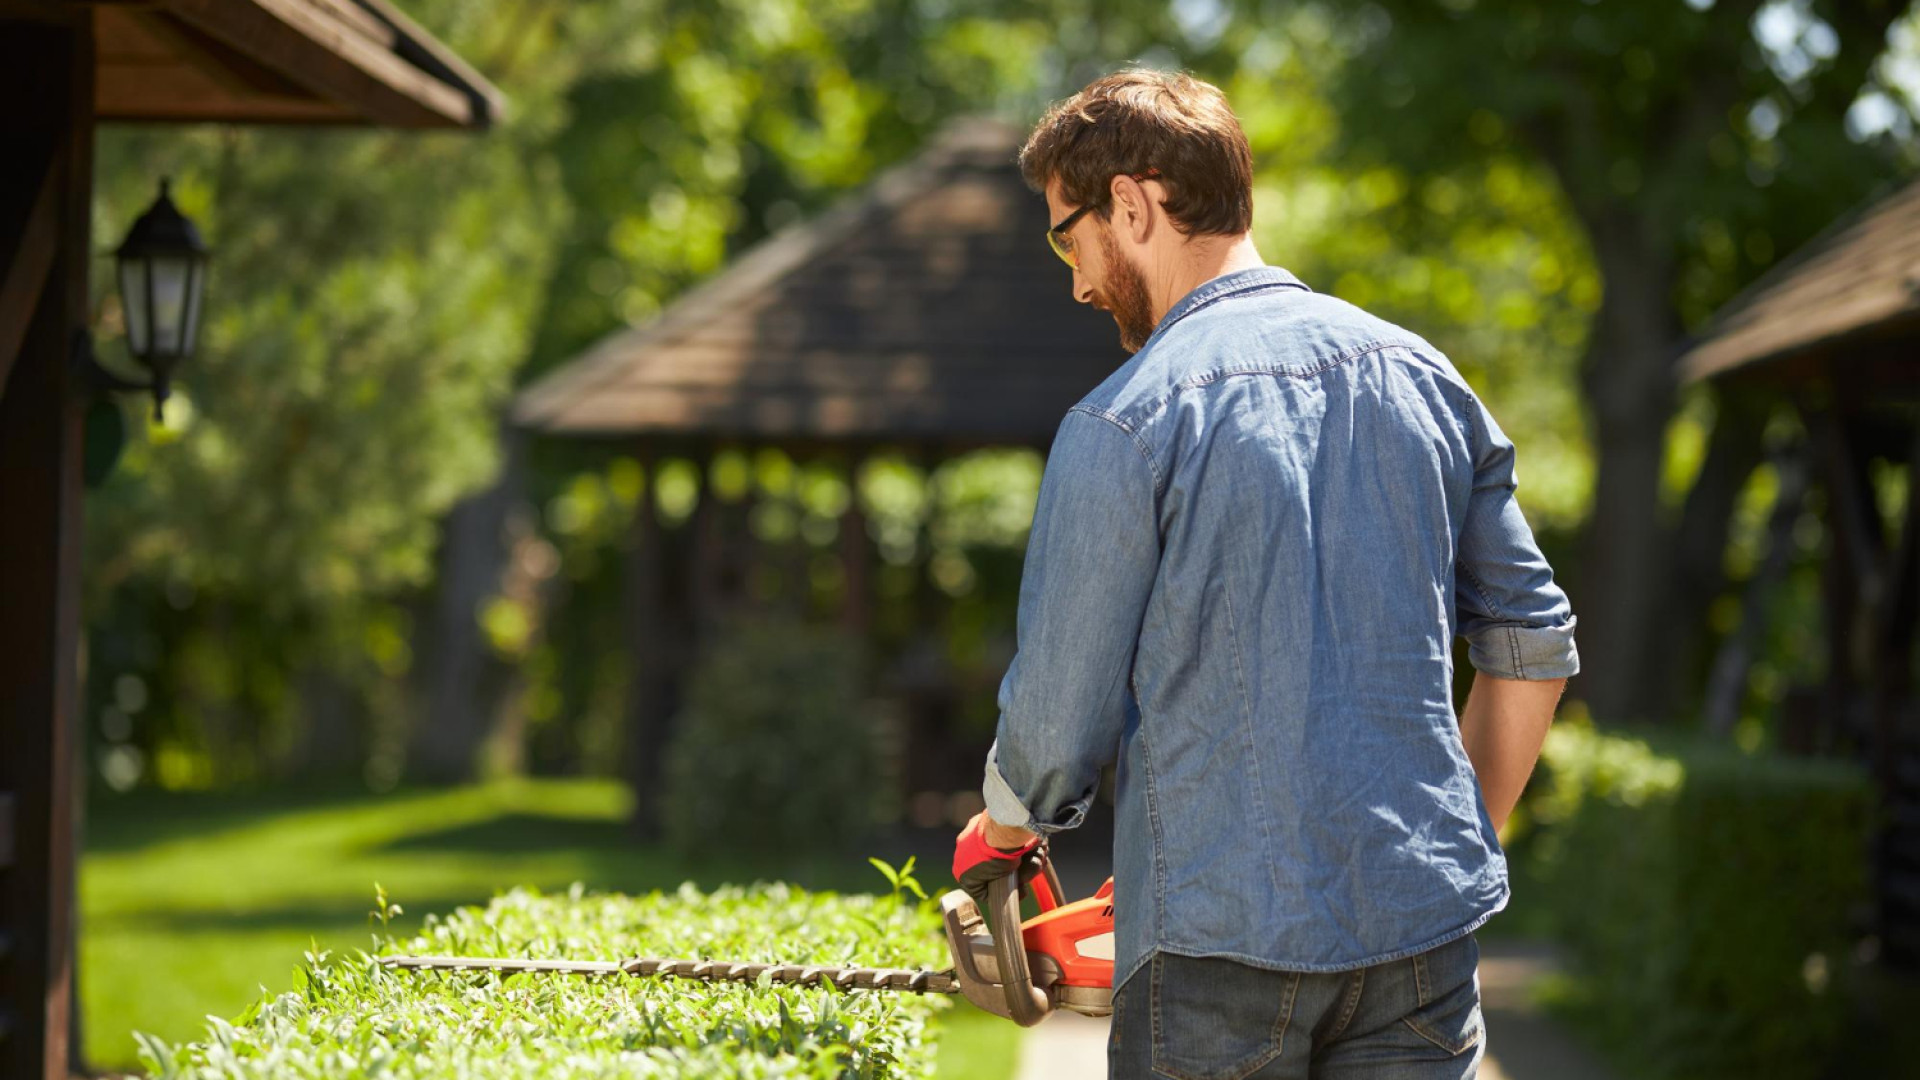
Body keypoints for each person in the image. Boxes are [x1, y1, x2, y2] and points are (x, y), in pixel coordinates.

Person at [949, 69, 1579, 1079]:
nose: (1075, 279)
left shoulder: (1126, 419)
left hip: (1213, 957)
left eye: (1068, 237)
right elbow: (1533, 647)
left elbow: (1059, 723)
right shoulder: (1427, 381)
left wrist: (1004, 825)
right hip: (1418, 940)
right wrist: (1449, 841)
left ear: (1132, 203)